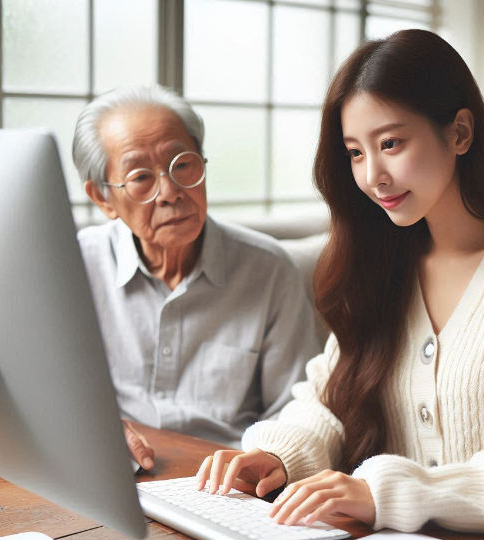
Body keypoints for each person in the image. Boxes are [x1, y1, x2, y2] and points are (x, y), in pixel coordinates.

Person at [198, 29, 484, 540]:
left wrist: (396, 492)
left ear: (458, 133)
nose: (373, 177)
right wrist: (278, 453)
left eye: (390, 143)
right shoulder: (383, 259)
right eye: (355, 153)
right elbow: (330, 399)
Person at [72, 85, 320, 470]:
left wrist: (271, 458)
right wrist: (88, 429)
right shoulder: (76, 265)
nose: (170, 192)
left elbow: (297, 409)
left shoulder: (269, 270)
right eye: (140, 177)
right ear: (103, 198)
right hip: (118, 472)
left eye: (182, 164)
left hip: (225, 482)